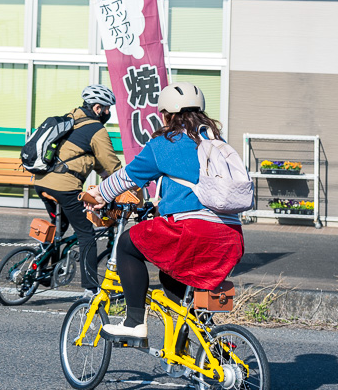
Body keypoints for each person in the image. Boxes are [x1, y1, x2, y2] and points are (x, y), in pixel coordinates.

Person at [85, 82, 244, 344]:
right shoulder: (216, 143)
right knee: (173, 279)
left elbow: (127, 177)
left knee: (126, 244)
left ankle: (134, 323)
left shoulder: (165, 144)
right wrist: (161, 207)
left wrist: (99, 196)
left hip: (193, 232)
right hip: (231, 237)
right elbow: (195, 189)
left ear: (167, 114)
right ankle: (203, 348)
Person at [33, 84, 123, 298]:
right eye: (107, 108)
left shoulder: (70, 118)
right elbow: (111, 164)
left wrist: (105, 176)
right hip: (64, 187)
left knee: (60, 226)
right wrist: (127, 183)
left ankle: (40, 268)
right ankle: (90, 289)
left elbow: (91, 159)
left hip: (41, 181)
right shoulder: (96, 129)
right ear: (98, 108)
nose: (108, 113)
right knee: (86, 234)